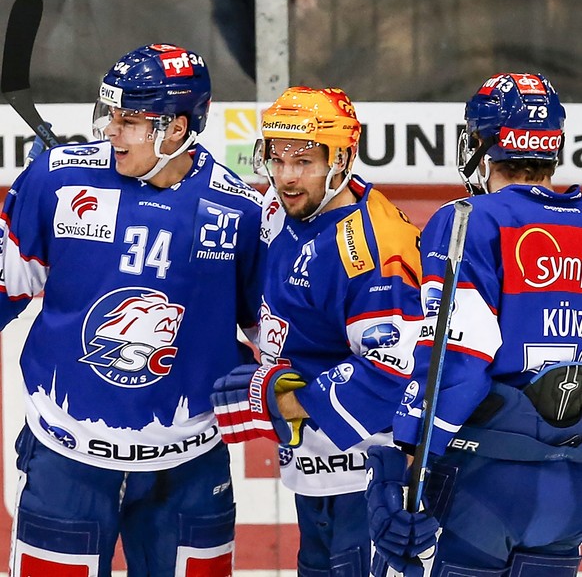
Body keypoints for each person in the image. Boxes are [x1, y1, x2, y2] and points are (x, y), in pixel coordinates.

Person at [5, 43, 264, 576]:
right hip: (65, 458)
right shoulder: (58, 180)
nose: (111, 133)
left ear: (178, 128)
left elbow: (273, 335)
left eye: (130, 121)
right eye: (110, 116)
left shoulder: (240, 212)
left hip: (188, 468)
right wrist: (37, 194)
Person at [365, 72, 582, 577]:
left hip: (484, 485)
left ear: (480, 143)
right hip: (570, 490)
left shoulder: (468, 220)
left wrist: (414, 454)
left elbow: (458, 360)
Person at [211, 86, 424, 576]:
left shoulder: (373, 252)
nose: (286, 176)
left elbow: (393, 368)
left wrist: (288, 401)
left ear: (343, 158)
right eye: (277, 158)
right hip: (313, 475)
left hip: (368, 484)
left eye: (304, 161)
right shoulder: (280, 209)